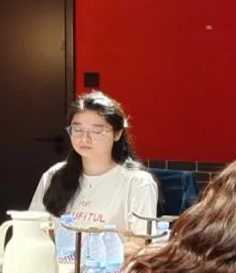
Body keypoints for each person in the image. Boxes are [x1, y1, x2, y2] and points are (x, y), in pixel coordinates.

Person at [30, 92, 158, 237]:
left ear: (117, 134)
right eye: (77, 130)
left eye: (96, 131)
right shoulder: (53, 175)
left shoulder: (137, 183)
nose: (84, 138)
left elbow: (143, 241)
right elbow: (32, 231)